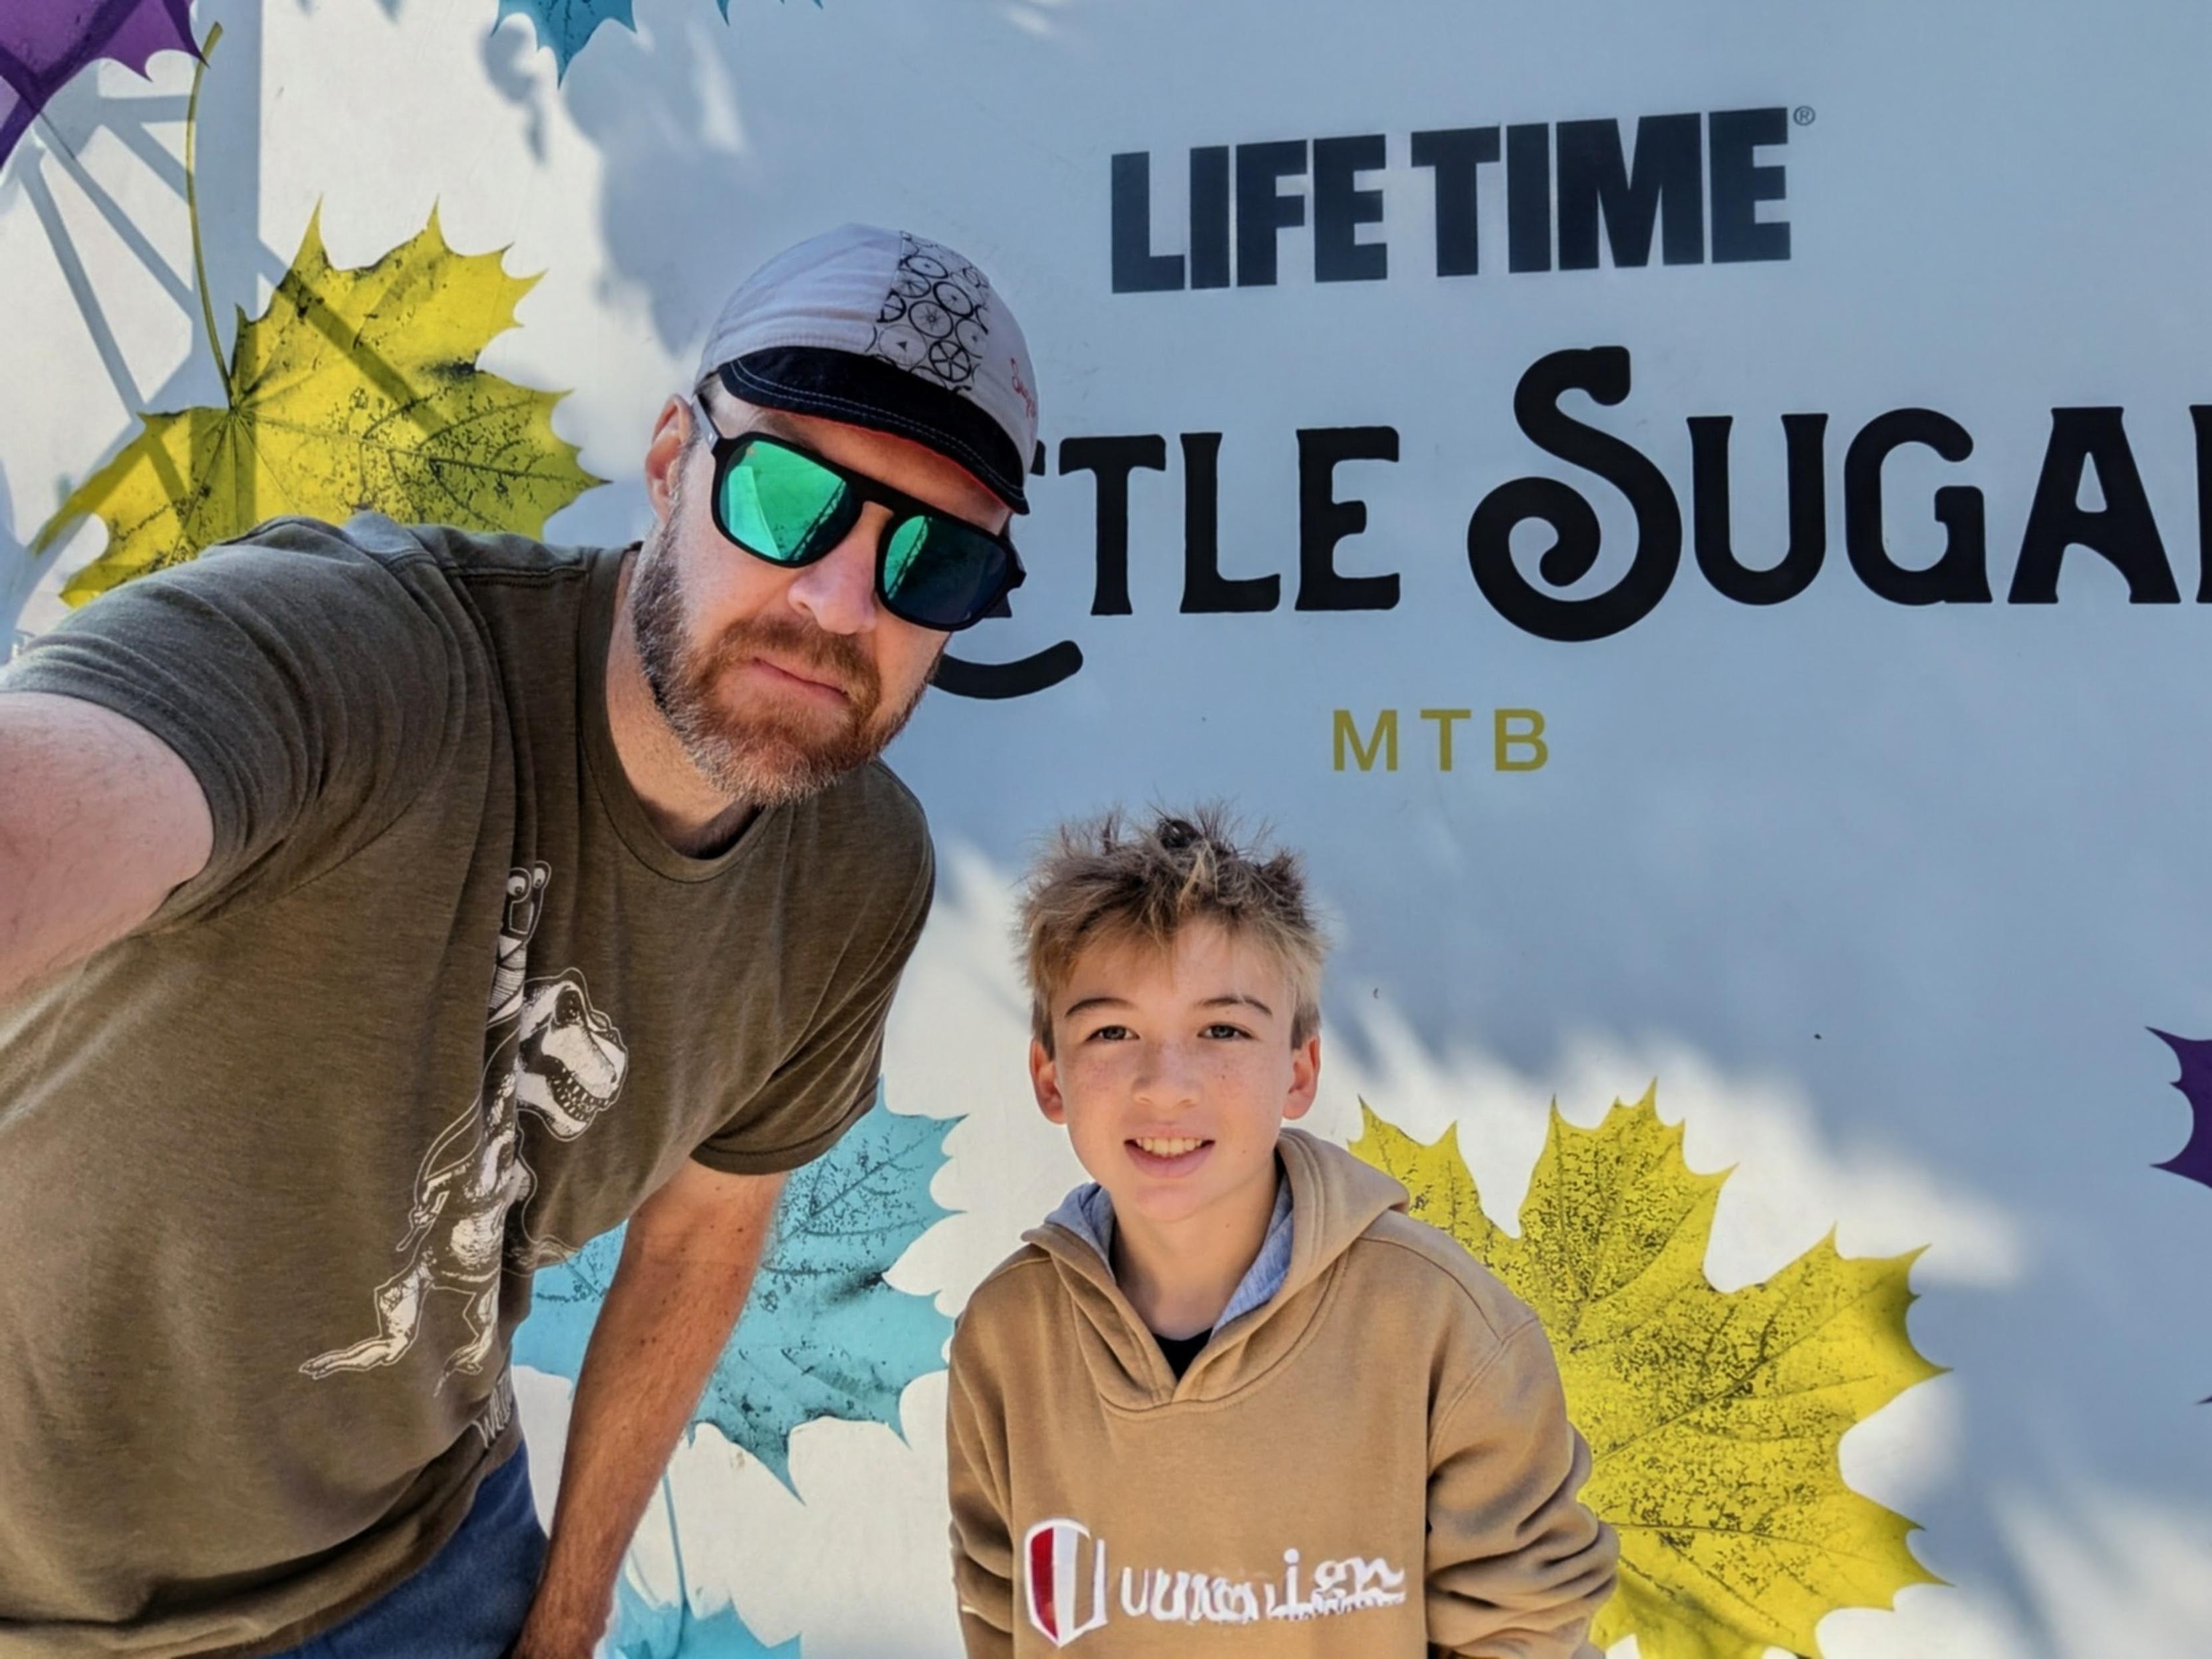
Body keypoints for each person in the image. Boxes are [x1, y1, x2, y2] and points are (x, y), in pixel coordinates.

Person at [0, 223, 1039, 1659]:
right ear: (674, 458)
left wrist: (566, 1605)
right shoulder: (368, 655)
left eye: (932, 565)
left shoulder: (856, 871)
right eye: (792, 492)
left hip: (424, 1574)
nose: (836, 600)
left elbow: (700, 1234)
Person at [945, 807, 1619, 1656]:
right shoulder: (1005, 1339)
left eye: (1221, 1030)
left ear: (1298, 1070)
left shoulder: (1442, 1327)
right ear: (1050, 1077)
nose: (1166, 1084)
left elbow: (1525, 1626)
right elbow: (998, 1615)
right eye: (1112, 1031)